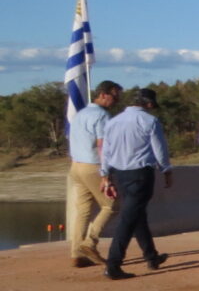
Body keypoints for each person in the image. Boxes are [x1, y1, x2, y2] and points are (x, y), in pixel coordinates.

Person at [98, 87, 172, 279]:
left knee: (136, 214)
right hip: (140, 174)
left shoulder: (113, 122)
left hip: (120, 174)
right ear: (147, 104)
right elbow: (159, 148)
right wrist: (166, 169)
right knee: (128, 218)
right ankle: (113, 264)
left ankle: (151, 256)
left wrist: (105, 174)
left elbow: (106, 151)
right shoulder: (149, 121)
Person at [66, 79, 121, 268]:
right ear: (104, 94)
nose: (117, 100)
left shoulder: (81, 114)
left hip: (76, 166)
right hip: (92, 166)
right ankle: (90, 243)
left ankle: (76, 253)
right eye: (115, 95)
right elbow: (102, 145)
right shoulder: (102, 116)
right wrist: (106, 175)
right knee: (111, 205)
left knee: (83, 210)